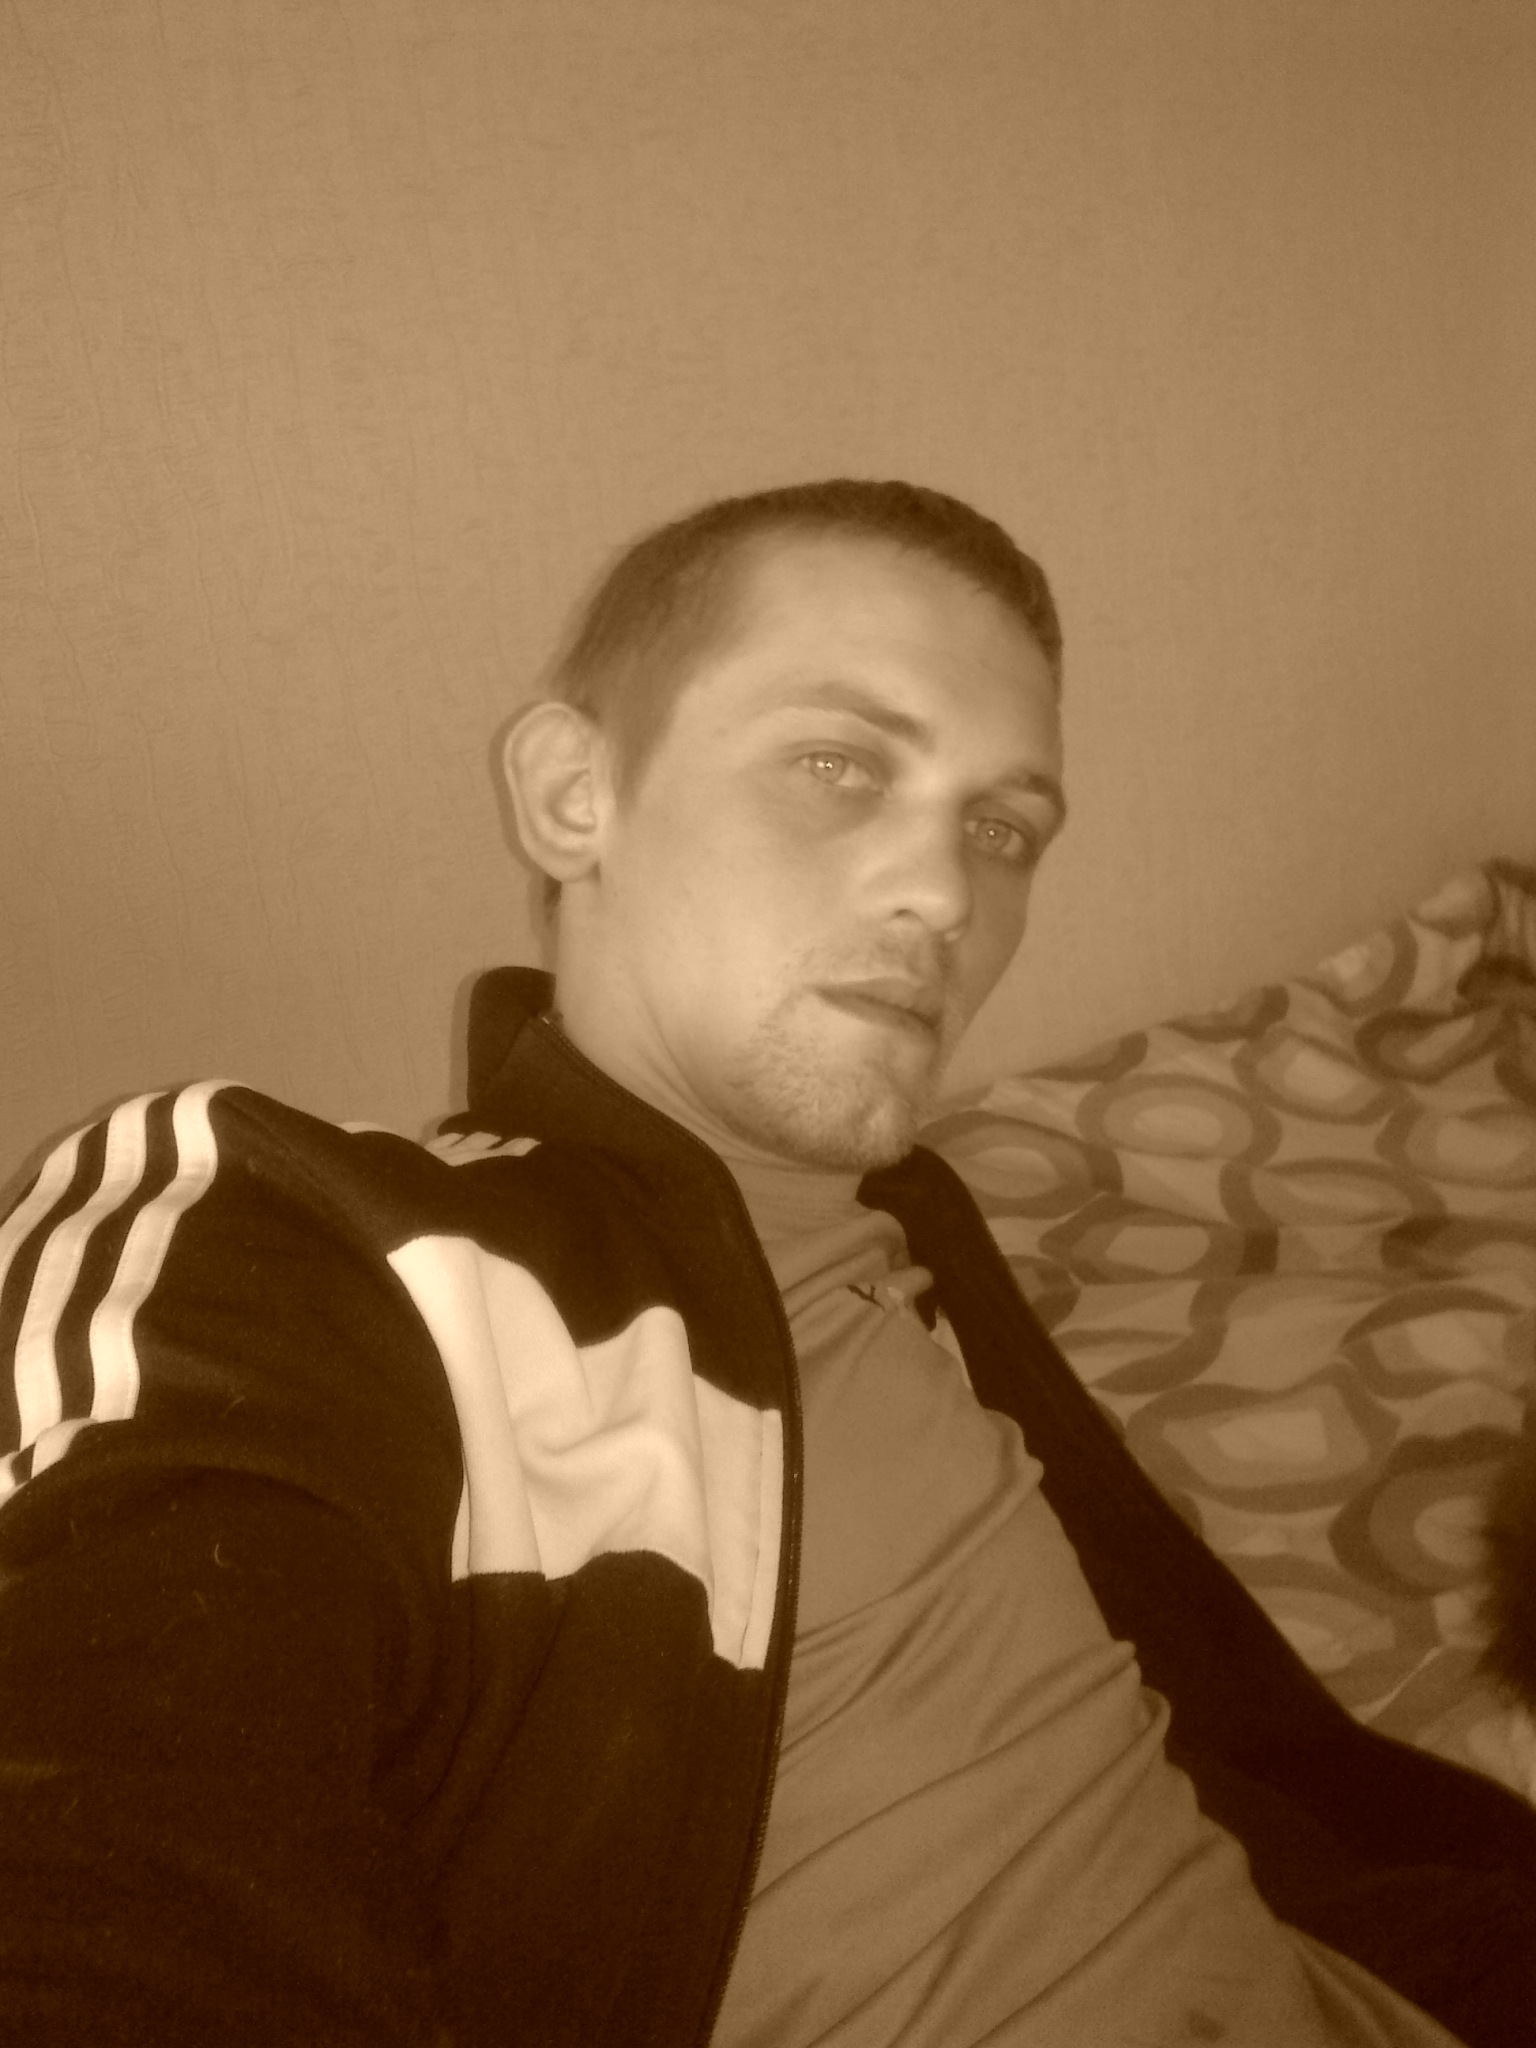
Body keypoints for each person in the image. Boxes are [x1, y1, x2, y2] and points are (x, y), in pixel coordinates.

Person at [0, 481, 1532, 2048]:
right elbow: (108, 1854)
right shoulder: (312, 1247)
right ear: (572, 794)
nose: (946, 895)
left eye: (1002, 829)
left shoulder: (912, 1227)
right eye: (837, 765)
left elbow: (1226, 1780)